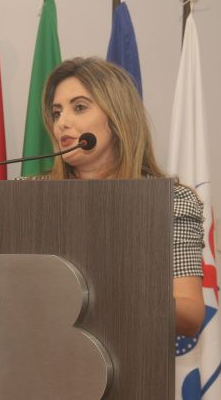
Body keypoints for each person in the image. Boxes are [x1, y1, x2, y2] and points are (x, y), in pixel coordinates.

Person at [39, 57, 206, 337]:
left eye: (79, 107)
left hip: (130, 355)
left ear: (117, 117)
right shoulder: (28, 197)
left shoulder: (171, 202)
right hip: (40, 352)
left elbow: (190, 315)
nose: (62, 123)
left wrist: (115, 292)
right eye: (57, 113)